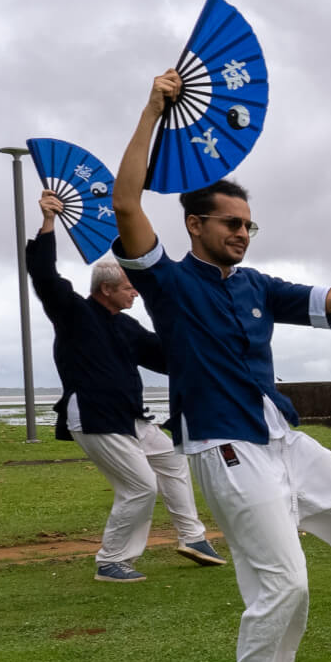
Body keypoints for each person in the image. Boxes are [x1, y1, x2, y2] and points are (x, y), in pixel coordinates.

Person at [111, 68, 331, 662]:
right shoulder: (167, 281)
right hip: (223, 443)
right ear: (194, 224)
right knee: (287, 582)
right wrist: (150, 109)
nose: (244, 233)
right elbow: (125, 203)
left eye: (250, 225)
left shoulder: (254, 285)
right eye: (231, 223)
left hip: (280, 436)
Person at [27, 192, 223, 581]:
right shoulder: (74, 313)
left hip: (129, 417)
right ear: (106, 289)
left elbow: (166, 357)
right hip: (95, 417)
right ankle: (111, 561)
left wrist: (205, 345)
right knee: (139, 487)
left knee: (171, 460)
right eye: (130, 288)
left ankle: (193, 537)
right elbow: (45, 277)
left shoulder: (126, 325)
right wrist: (48, 224)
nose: (136, 292)